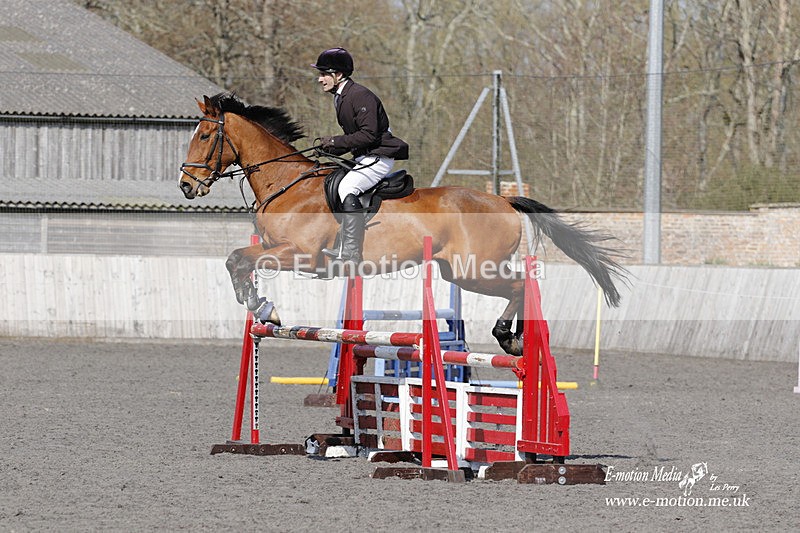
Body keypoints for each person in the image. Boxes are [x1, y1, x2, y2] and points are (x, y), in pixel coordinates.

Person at [311, 47, 409, 262]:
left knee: (348, 187)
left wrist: (336, 141)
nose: (320, 79)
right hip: (365, 155)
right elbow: (356, 137)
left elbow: (369, 135)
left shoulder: (360, 95)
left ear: (338, 75)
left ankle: (352, 251)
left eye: (324, 74)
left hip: (379, 157)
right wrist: (329, 148)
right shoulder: (342, 96)